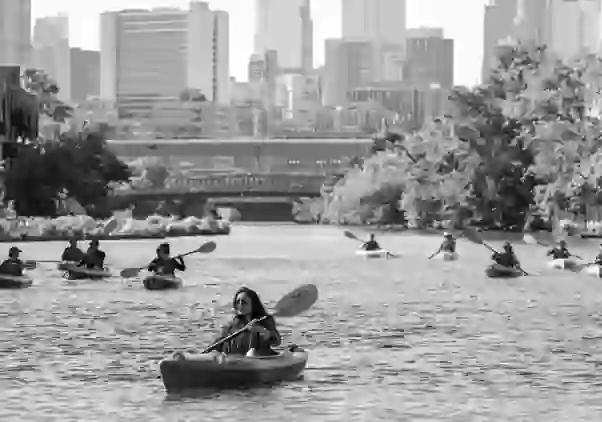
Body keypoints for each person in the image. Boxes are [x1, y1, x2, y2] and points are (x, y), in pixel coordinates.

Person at [209, 287, 281, 357]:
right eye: (237, 302)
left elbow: (276, 341)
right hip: (236, 361)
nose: (240, 305)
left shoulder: (265, 320)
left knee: (251, 354)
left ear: (253, 305)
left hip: (259, 359)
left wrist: (261, 330)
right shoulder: (231, 325)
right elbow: (216, 344)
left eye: (243, 302)